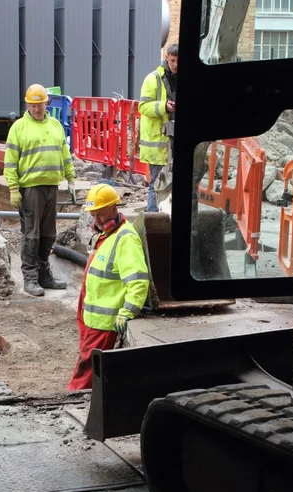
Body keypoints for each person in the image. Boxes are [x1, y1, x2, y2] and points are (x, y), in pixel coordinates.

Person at [68, 184, 150, 390]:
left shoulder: (126, 239)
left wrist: (126, 312)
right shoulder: (106, 235)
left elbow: (138, 281)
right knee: (91, 364)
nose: (97, 220)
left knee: (86, 369)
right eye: (93, 215)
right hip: (90, 316)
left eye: (101, 214)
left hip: (103, 322)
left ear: (114, 208)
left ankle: (70, 403)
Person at [4, 83, 76, 297]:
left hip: (51, 187)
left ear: (47, 103)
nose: (37, 108)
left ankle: (44, 275)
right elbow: (10, 161)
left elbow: (64, 153)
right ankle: (30, 277)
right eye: (33, 105)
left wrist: (71, 176)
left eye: (40, 104)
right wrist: (14, 188)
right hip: (31, 189)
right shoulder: (18, 128)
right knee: (31, 235)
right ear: (27, 104)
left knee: (48, 235)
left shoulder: (55, 125)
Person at [138, 43, 178, 213]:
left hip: (176, 140)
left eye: (179, 61)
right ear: (167, 58)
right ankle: (154, 219)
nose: (175, 65)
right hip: (158, 143)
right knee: (157, 183)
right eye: (173, 60)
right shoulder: (153, 79)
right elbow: (143, 107)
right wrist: (163, 107)